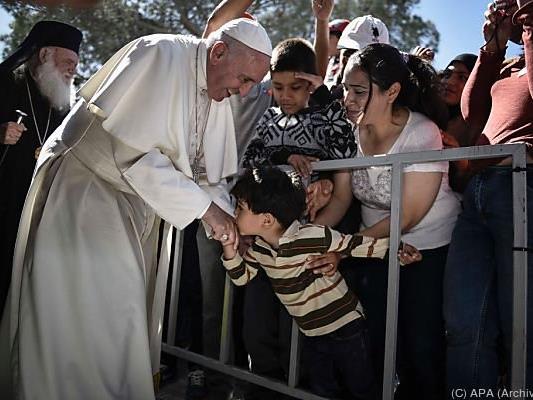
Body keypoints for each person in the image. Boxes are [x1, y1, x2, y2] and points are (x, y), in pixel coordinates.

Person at [0, 18, 271, 400]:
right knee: (85, 315)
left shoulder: (217, 92)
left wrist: (229, 228)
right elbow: (133, 155)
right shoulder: (159, 54)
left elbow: (205, 174)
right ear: (219, 51)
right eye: (242, 79)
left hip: (131, 207)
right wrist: (210, 213)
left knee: (119, 319)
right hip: (85, 193)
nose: (241, 92)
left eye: (250, 86)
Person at [312, 43, 460, 400]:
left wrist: (343, 251)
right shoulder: (353, 131)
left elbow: (407, 216)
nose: (347, 98)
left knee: (420, 342)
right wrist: (310, 236)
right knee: (373, 333)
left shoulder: (422, 133)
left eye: (359, 91)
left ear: (392, 91)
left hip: (428, 248)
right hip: (376, 247)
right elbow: (343, 199)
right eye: (346, 88)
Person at [220, 166, 390, 399]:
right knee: (321, 390)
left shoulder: (313, 235)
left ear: (267, 220)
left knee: (361, 387)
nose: (235, 212)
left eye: (240, 208)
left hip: (346, 326)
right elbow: (241, 277)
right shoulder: (259, 248)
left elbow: (356, 244)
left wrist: (398, 250)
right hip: (311, 333)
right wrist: (229, 248)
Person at [444, 0, 533, 395]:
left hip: (523, 187)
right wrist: (493, 49)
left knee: (522, 324)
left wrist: (528, 17)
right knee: (465, 321)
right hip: (479, 191)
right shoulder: (511, 64)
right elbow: (473, 113)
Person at [0, 20, 82, 315]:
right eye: (68, 61)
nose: (73, 69)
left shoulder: (60, 104)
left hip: (33, 212)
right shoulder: (5, 83)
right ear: (46, 54)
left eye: (76, 63)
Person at [241, 37, 357, 178]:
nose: (285, 96)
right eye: (278, 87)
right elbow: (248, 161)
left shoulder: (323, 120)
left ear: (310, 84)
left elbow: (346, 153)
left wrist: (324, 96)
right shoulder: (268, 118)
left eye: (295, 88)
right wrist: (284, 158)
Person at [438, 53, 480, 192]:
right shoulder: (426, 115)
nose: (449, 82)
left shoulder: (480, 126)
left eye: (462, 77)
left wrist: (462, 163)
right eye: (447, 74)